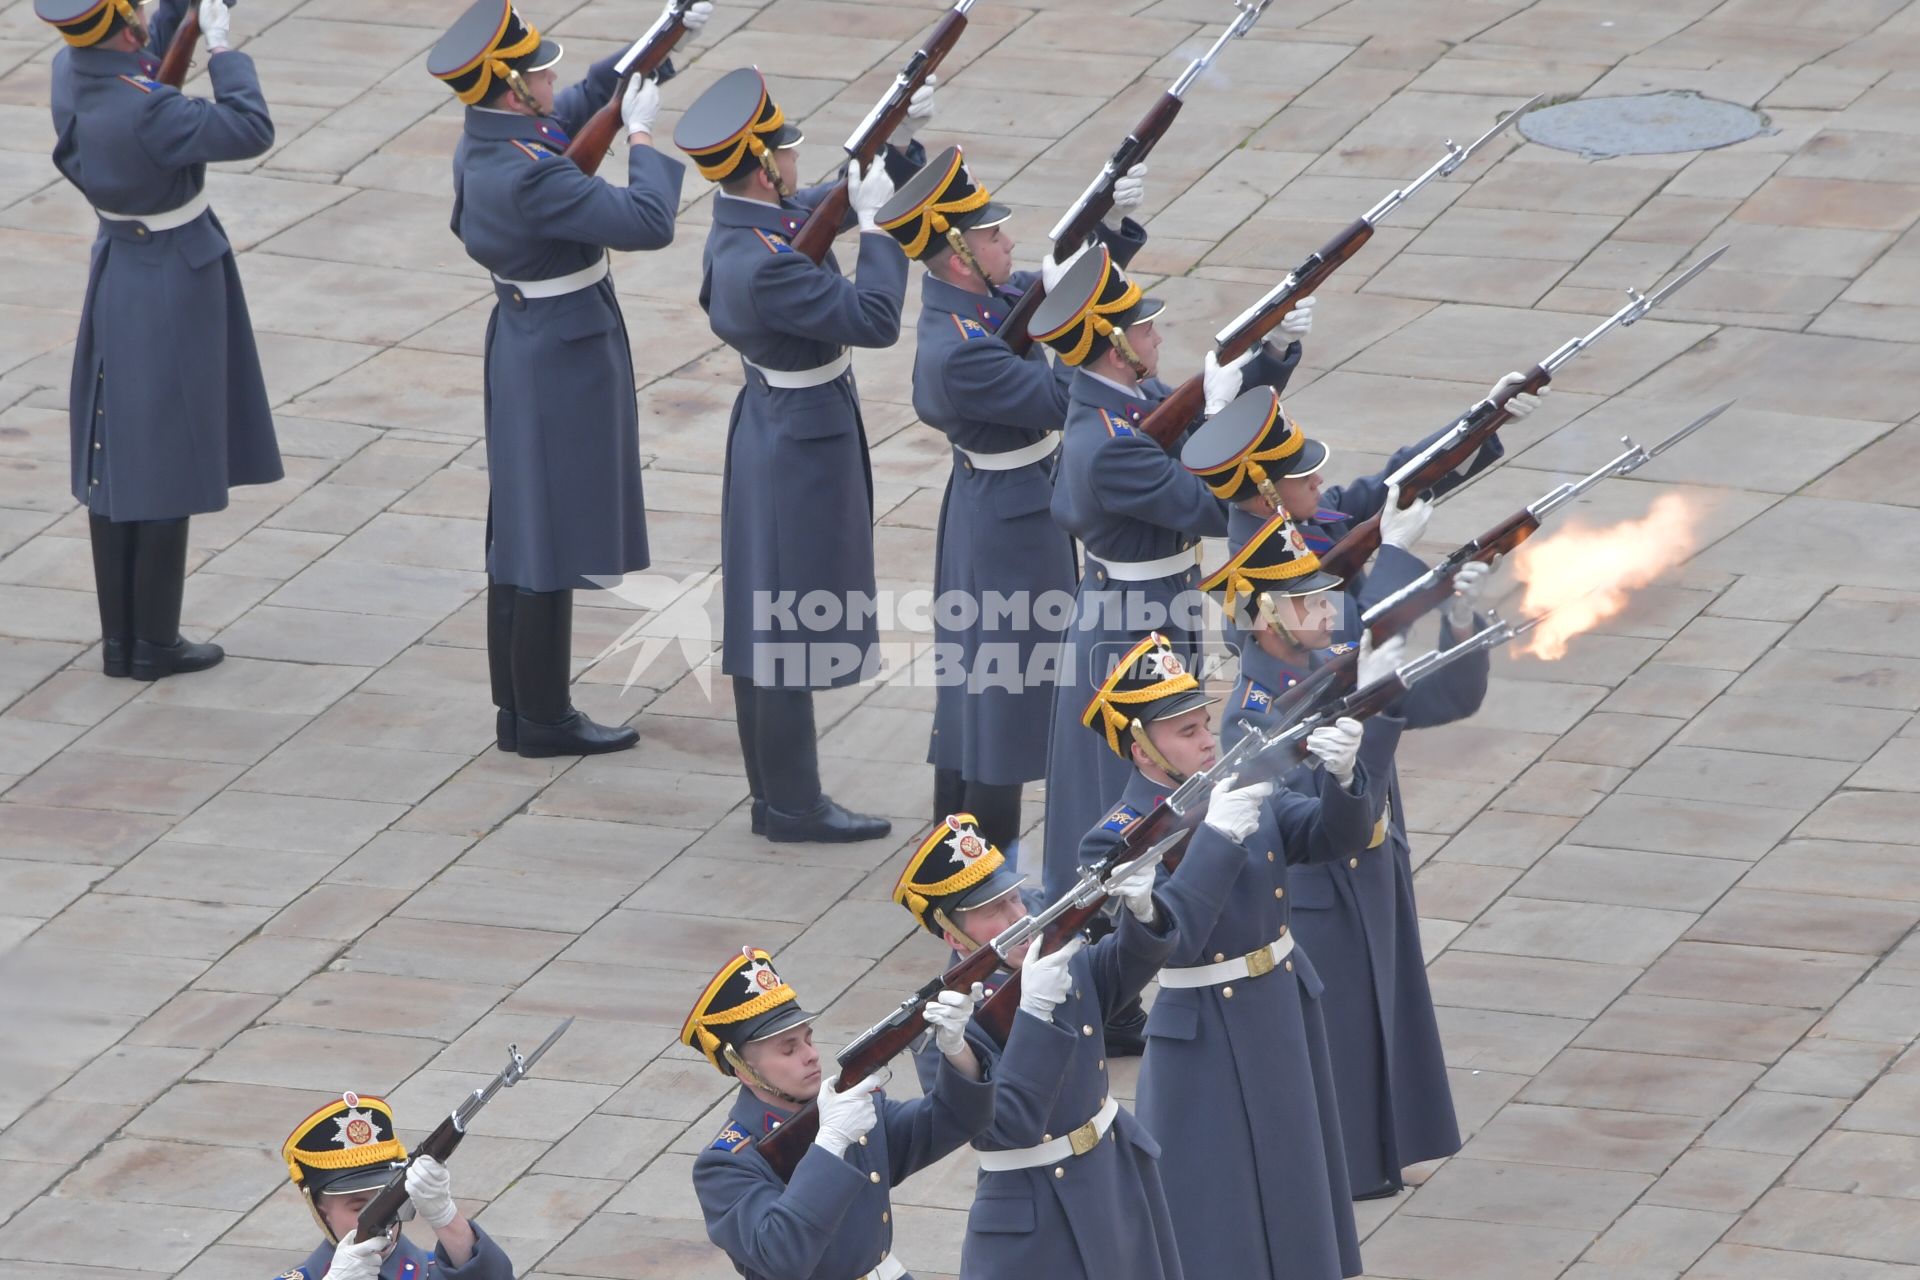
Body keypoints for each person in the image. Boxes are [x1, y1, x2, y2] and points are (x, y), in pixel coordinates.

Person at [431, 0, 709, 757]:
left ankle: (520, 711)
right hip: (562, 350)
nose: (551, 76)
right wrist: (644, 134)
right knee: (544, 536)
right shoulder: (531, 176)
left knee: (523, 528)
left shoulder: (489, 142)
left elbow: (586, 100)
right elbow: (648, 220)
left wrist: (661, 40)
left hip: (527, 339)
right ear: (512, 88)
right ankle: (545, 719)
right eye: (537, 72)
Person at [1074, 631, 1391, 1280]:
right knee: (1216, 1219)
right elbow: (1174, 939)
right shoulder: (1115, 840)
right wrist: (1218, 834)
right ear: (1142, 749)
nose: (1207, 739)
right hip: (1205, 1035)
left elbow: (1332, 836)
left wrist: (1347, 774)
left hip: (1280, 1006)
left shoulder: (1232, 781)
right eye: (1186, 732)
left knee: (1298, 1193)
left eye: (1203, 722)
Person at [675, 67, 933, 843]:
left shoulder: (746, 222)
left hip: (778, 423)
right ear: (761, 164)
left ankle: (777, 796)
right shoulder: (769, 262)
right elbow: (878, 317)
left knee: (767, 615)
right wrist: (883, 228)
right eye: (785, 151)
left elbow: (818, 203)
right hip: (800, 437)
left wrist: (896, 143)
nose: (795, 162)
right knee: (782, 623)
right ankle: (793, 805)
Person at [1026, 244, 1308, 948]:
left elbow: (1183, 425)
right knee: (1121, 804)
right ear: (1116, 346)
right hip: (1130, 629)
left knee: (1159, 790)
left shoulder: (1124, 405)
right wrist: (1217, 416)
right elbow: (1215, 503)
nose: (1156, 337)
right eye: (1144, 329)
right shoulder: (1110, 443)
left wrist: (1269, 356)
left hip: (1150, 611)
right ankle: (1102, 968)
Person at [1209, 510, 1493, 1201]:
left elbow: (1449, 699)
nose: (1325, 606)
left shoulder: (1325, 666)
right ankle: (1352, 1168)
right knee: (1341, 1037)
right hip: (1320, 887)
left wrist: (1461, 615)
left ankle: (1388, 1148)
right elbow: (1304, 809)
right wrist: (1362, 717)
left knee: (1387, 1014)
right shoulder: (1252, 709)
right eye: (1305, 600)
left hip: (1372, 863)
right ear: (1267, 619)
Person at [874, 146, 1148, 856]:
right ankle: (982, 877)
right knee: (1005, 697)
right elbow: (1067, 395)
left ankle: (953, 853)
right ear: (961, 252)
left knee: (976, 697)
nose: (1009, 244)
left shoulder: (972, 305)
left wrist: (1109, 231)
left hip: (999, 504)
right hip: (1011, 523)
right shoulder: (961, 348)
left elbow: (1047, 292)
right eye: (994, 236)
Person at [40, 0, 280, 682]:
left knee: (114, 454)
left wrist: (189, 12)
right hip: (174, 276)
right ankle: (155, 644)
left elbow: (151, 49)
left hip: (120, 264)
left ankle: (125, 640)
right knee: (168, 451)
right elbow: (249, 126)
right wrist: (226, 51)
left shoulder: (72, 71)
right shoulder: (148, 109)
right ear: (123, 26)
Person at [891, 813, 1181, 1280]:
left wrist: (1143, 910)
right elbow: (1004, 1125)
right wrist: (1036, 1013)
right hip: (1037, 1210)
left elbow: (1116, 974)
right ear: (953, 934)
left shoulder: (1047, 960)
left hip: (1110, 1174)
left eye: (1014, 898)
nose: (1018, 918)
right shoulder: (942, 1027)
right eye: (994, 911)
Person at [685, 945, 993, 1280]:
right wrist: (829, 1144)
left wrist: (957, 1050)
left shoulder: (849, 1109)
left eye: (808, 1039)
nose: (811, 1055)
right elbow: (780, 1254)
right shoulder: (726, 1163)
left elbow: (956, 1121)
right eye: (789, 1049)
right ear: (744, 1070)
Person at [278, 1093, 513, 1280]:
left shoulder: (443, 1270)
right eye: (358, 1207)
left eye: (387, 1200)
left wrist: (447, 1218)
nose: (384, 1219)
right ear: (321, 1211)